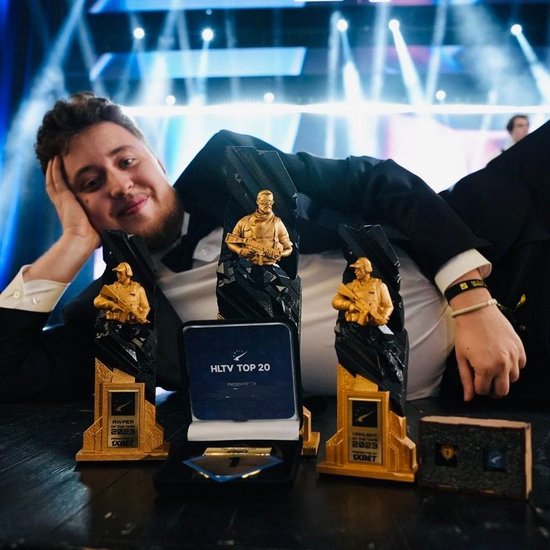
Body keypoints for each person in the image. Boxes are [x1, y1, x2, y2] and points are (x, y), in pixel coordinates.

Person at [0, 92, 532, 404]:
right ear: (76, 205)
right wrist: (73, 243)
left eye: (126, 160)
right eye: (91, 182)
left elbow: (376, 180)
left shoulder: (237, 168)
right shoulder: (112, 312)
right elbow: (9, 372)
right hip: (450, 403)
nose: (119, 184)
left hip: (498, 284)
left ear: (156, 159)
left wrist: (471, 300)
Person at [225, 189, 293, 265]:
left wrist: (280, 254)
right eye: (264, 202)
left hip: (270, 265)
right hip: (247, 265)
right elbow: (230, 241)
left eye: (270, 202)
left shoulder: (277, 223)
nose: (267, 204)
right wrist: (240, 250)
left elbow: (289, 248)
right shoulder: (244, 221)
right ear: (257, 202)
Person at [332, 257, 393, 326]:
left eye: (358, 269)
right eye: (355, 269)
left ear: (366, 269)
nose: (355, 272)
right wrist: (350, 305)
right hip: (352, 326)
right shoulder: (351, 286)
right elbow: (335, 301)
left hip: (373, 326)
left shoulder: (379, 286)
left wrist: (383, 316)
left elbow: (389, 306)